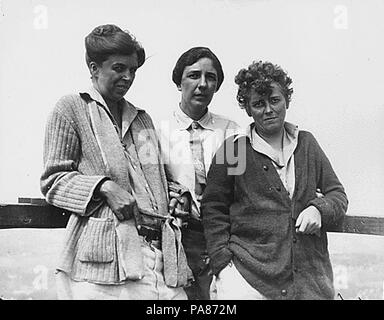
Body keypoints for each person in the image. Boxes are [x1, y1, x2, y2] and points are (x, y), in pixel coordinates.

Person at [40, 24, 192, 300]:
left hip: (160, 258)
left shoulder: (142, 119)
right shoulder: (71, 109)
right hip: (105, 264)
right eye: (119, 68)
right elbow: (53, 181)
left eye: (133, 70)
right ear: (94, 67)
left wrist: (175, 195)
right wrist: (104, 187)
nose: (128, 77)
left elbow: (155, 179)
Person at [201, 60, 348, 300]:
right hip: (247, 280)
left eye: (275, 100)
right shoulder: (234, 150)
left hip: (307, 280)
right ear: (248, 109)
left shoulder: (307, 144)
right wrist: (222, 265)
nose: (268, 109)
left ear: (286, 101)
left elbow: (337, 194)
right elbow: (213, 207)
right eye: (258, 104)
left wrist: (318, 210)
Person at [157, 47, 240, 300]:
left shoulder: (231, 131)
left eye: (211, 78)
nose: (203, 84)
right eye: (194, 75)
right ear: (178, 80)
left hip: (222, 237)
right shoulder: (156, 131)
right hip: (178, 238)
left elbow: (240, 187)